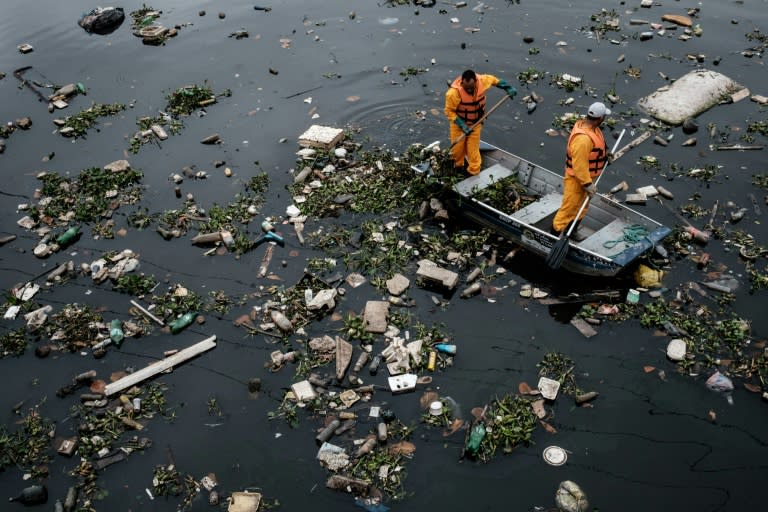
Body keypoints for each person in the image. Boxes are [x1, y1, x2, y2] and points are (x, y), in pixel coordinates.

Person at [551, 102, 611, 235]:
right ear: (600, 118)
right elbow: (579, 165)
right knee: (569, 208)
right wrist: (587, 184)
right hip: (577, 179)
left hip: (587, 177)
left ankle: (571, 231)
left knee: (582, 207)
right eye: (604, 117)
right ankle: (554, 235)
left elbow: (598, 148)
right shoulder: (583, 139)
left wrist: (606, 155)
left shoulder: (594, 129)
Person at [444, 69, 516, 175]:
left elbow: (495, 81)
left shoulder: (482, 80)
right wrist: (462, 125)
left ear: (476, 82)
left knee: (473, 152)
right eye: (466, 88)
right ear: (462, 82)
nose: (469, 90)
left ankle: (473, 173)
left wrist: (507, 87)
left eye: (471, 87)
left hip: (476, 123)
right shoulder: (453, 93)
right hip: (458, 125)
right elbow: (449, 111)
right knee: (457, 151)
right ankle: (458, 168)